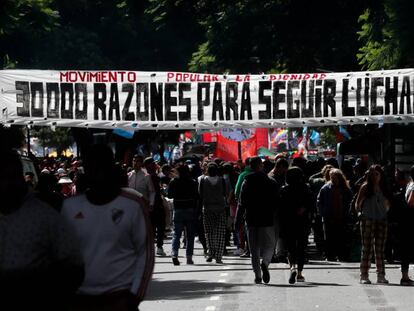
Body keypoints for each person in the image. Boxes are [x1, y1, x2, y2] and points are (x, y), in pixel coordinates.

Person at [62, 145, 154, 311]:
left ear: (112, 168)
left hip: (119, 297)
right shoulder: (70, 207)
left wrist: (134, 296)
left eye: (102, 166)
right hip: (81, 299)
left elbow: (145, 254)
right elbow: (62, 255)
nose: (98, 173)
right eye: (92, 167)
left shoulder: (133, 205)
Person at [0, 149, 84, 311]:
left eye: (9, 177)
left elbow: (74, 268)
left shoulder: (45, 218)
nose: (5, 184)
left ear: (20, 178)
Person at [237, 156, 278, 284]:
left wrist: (238, 220)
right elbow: (276, 201)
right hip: (267, 218)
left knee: (254, 249)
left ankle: (258, 275)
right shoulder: (271, 182)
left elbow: (241, 202)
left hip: (251, 219)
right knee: (270, 244)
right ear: (261, 166)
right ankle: (265, 262)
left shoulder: (246, 181)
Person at [355, 165, 390, 284]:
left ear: (381, 175)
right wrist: (360, 213)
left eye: (377, 174)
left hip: (381, 219)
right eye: (373, 174)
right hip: (368, 219)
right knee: (367, 248)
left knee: (380, 249)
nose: (375, 177)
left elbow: (388, 203)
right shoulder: (365, 187)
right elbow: (357, 204)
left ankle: (381, 275)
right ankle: (364, 275)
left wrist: (385, 210)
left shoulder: (384, 188)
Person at [279, 166, 313, 284]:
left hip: (288, 221)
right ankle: (299, 273)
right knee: (301, 248)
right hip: (302, 221)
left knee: (291, 247)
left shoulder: (284, 190)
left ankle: (292, 266)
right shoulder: (305, 188)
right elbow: (311, 204)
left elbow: (280, 207)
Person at [317, 169, 353, 261]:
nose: (333, 179)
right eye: (332, 177)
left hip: (342, 217)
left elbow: (350, 201)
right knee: (329, 238)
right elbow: (319, 202)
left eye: (335, 178)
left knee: (341, 237)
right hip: (328, 217)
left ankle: (341, 255)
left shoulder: (345, 189)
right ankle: (330, 255)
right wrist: (323, 213)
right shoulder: (325, 188)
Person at [168, 164, 199, 265]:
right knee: (190, 235)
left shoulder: (173, 182)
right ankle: (189, 257)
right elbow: (196, 196)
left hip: (178, 209)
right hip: (190, 209)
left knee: (177, 234)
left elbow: (169, 195)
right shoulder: (192, 182)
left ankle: (174, 254)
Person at [199, 163, 228, 264]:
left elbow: (200, 195)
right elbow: (225, 194)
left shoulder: (203, 180)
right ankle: (219, 256)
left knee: (209, 233)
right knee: (220, 233)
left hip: (207, 209)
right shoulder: (222, 180)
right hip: (220, 209)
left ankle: (211, 253)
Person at [144, 157, 167, 257]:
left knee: (159, 226)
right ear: (148, 165)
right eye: (152, 164)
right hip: (151, 205)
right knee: (155, 227)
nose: (154, 165)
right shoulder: (148, 176)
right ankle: (156, 247)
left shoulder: (154, 175)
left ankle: (158, 246)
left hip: (157, 204)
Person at [399, 165, 414, 285]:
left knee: (406, 249)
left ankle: (405, 276)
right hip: (411, 220)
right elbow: (410, 202)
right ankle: (405, 277)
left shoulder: (410, 184)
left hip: (407, 220)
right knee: (407, 249)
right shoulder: (413, 186)